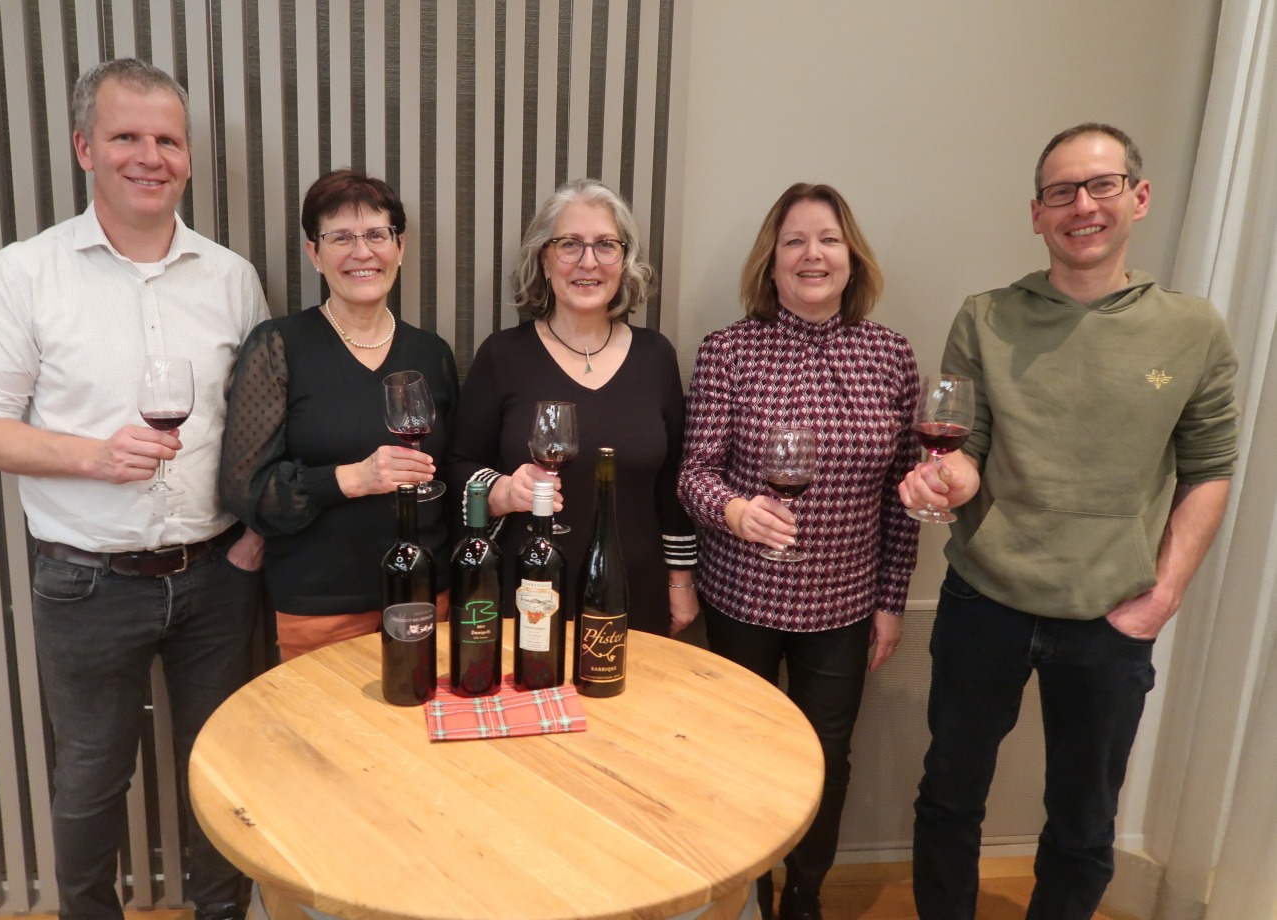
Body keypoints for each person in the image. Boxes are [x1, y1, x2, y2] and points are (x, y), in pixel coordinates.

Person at [0, 59, 268, 920]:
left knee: (221, 767)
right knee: (91, 776)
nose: (149, 157)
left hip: (217, 576)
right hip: (85, 581)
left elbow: (262, 420)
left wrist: (253, 537)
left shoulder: (231, 277)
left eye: (168, 140)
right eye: (127, 136)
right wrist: (93, 458)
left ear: (188, 158)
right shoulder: (23, 273)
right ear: (86, 148)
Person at [901, 123, 1239, 919]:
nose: (1081, 205)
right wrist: (943, 479)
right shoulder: (987, 317)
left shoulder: (1192, 329)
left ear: (1138, 198)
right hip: (985, 598)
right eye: (1061, 192)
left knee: (1084, 824)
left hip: (1110, 618)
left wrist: (1163, 596)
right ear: (1037, 213)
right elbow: (969, 450)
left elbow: (1210, 469)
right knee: (949, 796)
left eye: (1101, 185)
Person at [678, 182, 920, 920]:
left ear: (852, 258)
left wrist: (891, 601)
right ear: (772, 261)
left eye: (828, 239)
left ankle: (805, 897)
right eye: (795, 241)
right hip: (741, 599)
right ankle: (747, 892)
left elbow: (904, 495)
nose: (813, 255)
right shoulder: (729, 350)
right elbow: (692, 475)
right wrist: (736, 511)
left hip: (843, 606)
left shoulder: (891, 356)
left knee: (827, 762)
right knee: (739, 755)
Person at [220, 169, 457, 661]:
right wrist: (355, 478)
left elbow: (450, 474)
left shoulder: (432, 352)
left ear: (400, 246)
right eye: (341, 237)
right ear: (315, 253)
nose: (361, 252)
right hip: (320, 607)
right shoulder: (279, 345)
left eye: (376, 235)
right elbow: (247, 491)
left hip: (425, 597)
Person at [447, 178, 697, 636]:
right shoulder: (503, 355)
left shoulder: (655, 356)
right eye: (570, 245)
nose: (589, 261)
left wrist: (680, 581)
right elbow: (457, 466)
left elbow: (672, 484)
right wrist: (502, 490)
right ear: (544, 260)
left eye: (606, 245)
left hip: (634, 589)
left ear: (624, 260)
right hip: (530, 589)